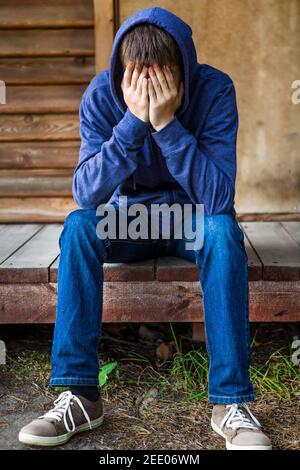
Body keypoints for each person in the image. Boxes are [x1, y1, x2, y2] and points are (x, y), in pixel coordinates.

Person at [18, 7, 272, 450]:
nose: (149, 87)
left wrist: (168, 126)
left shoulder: (214, 90)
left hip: (191, 218)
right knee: (79, 227)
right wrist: (133, 123)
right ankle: (78, 395)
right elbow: (86, 192)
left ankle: (230, 401)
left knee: (222, 232)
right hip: (129, 219)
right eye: (138, 76)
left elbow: (218, 199)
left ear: (185, 71)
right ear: (122, 73)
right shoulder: (102, 93)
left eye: (163, 75)